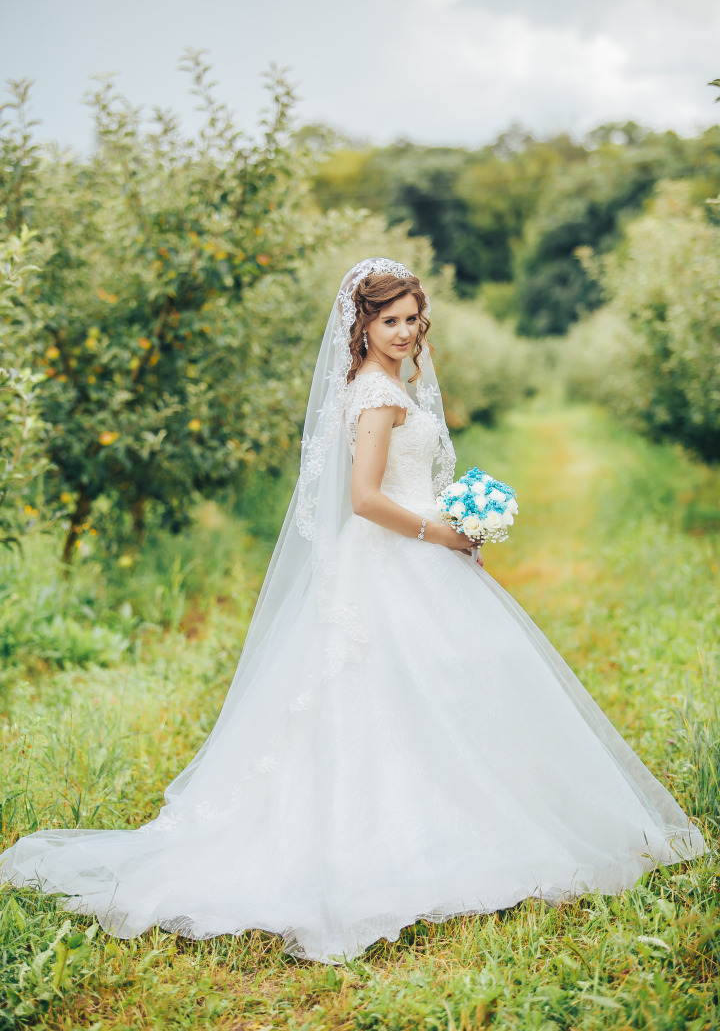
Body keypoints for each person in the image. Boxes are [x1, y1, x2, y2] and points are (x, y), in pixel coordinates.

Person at [0, 257, 707, 965]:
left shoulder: (390, 383)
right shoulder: (375, 394)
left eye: (411, 319)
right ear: (361, 324)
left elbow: (401, 482)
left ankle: (461, 815)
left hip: (421, 548)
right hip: (396, 555)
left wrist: (461, 523)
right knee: (400, 689)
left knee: (454, 683)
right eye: (389, 320)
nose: (403, 332)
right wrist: (442, 532)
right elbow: (366, 498)